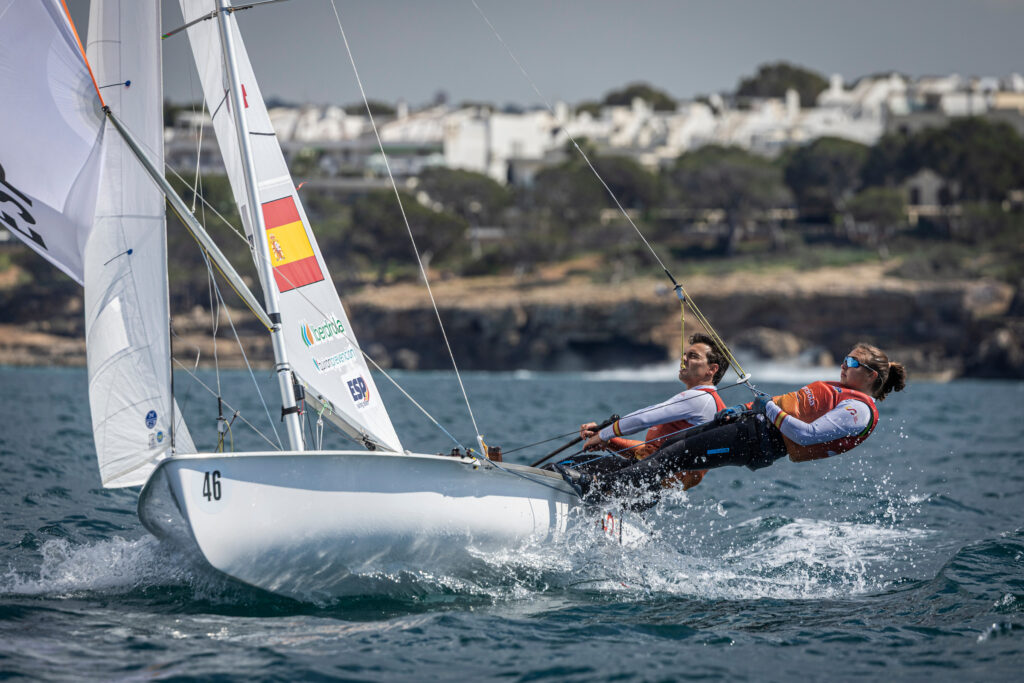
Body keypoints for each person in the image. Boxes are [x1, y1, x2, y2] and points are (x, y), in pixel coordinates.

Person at [569, 342, 907, 504]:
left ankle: (600, 491)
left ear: (871, 376)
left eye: (852, 363)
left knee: (671, 457)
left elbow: (807, 435)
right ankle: (614, 489)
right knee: (667, 449)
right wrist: (744, 409)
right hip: (749, 427)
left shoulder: (858, 410)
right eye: (845, 358)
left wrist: (767, 408)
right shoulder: (843, 394)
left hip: (757, 441)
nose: (844, 365)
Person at [552, 333, 729, 492]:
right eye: (684, 354)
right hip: (644, 484)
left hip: (642, 480)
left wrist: (605, 434)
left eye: (693, 356)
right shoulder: (710, 403)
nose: (683, 359)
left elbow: (644, 418)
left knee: (557, 469)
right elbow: (649, 452)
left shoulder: (700, 399)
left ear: (712, 369)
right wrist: (609, 441)